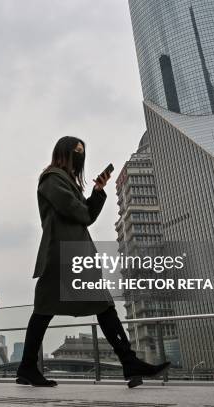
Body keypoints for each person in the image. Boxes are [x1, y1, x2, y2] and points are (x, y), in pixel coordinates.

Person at [15, 136, 170, 388]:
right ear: (63, 152)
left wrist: (98, 192)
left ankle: (27, 367)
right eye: (75, 151)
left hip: (71, 254)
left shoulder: (63, 181)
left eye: (82, 153)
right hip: (63, 256)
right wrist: (89, 200)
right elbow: (81, 214)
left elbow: (85, 214)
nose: (79, 157)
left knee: (71, 308)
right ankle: (128, 361)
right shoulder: (52, 179)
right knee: (68, 308)